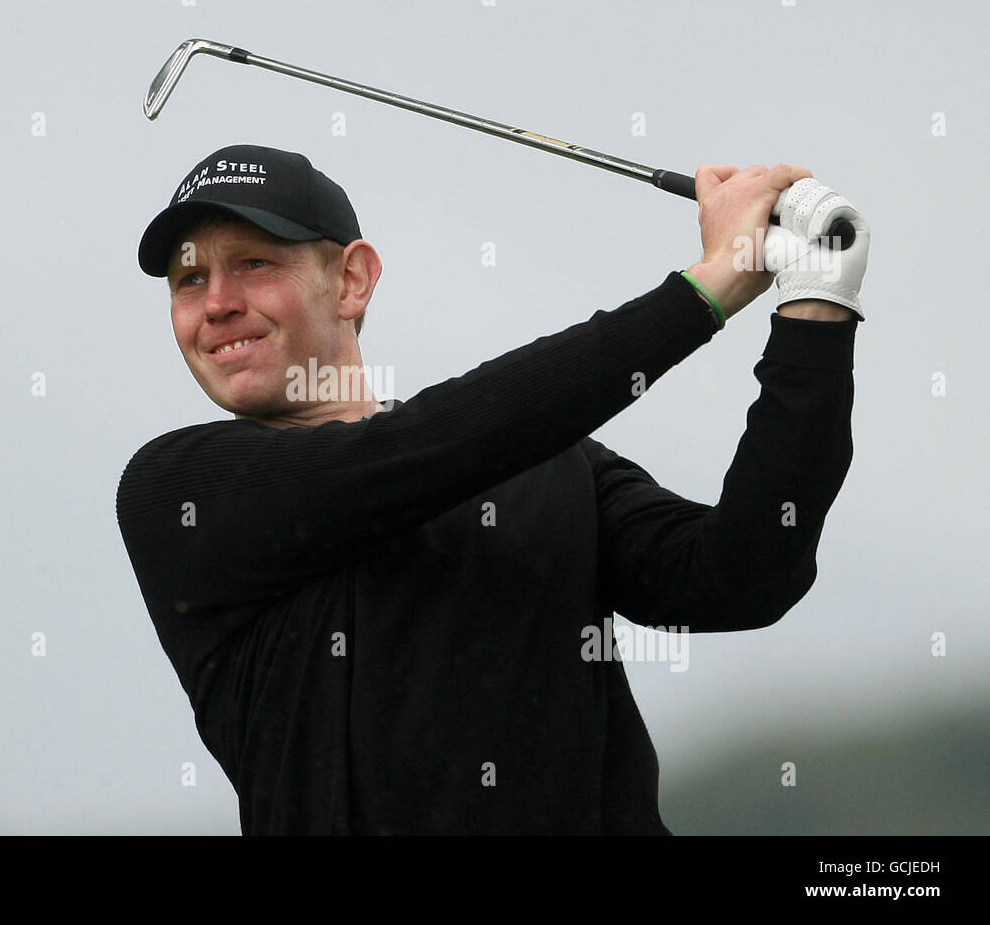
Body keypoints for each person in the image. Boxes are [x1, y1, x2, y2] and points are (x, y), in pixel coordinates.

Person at [115, 142, 869, 834]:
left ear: (351, 280)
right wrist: (706, 287)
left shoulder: (548, 465)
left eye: (253, 264)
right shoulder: (177, 493)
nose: (216, 302)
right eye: (190, 279)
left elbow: (742, 576)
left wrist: (817, 308)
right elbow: (423, 450)